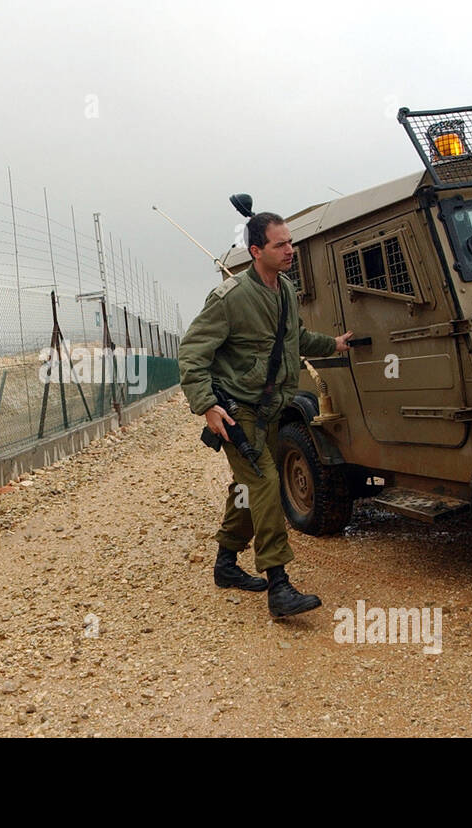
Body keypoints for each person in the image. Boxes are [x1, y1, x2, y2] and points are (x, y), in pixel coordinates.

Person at [178, 212, 352, 617]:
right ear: (256, 251)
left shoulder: (286, 290)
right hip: (239, 415)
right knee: (266, 482)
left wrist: (334, 344)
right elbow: (191, 352)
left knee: (249, 486)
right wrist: (206, 405)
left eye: (290, 242)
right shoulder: (232, 297)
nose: (290, 250)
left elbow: (297, 339)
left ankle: (225, 564)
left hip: (271, 409)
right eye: (280, 244)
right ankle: (279, 583)